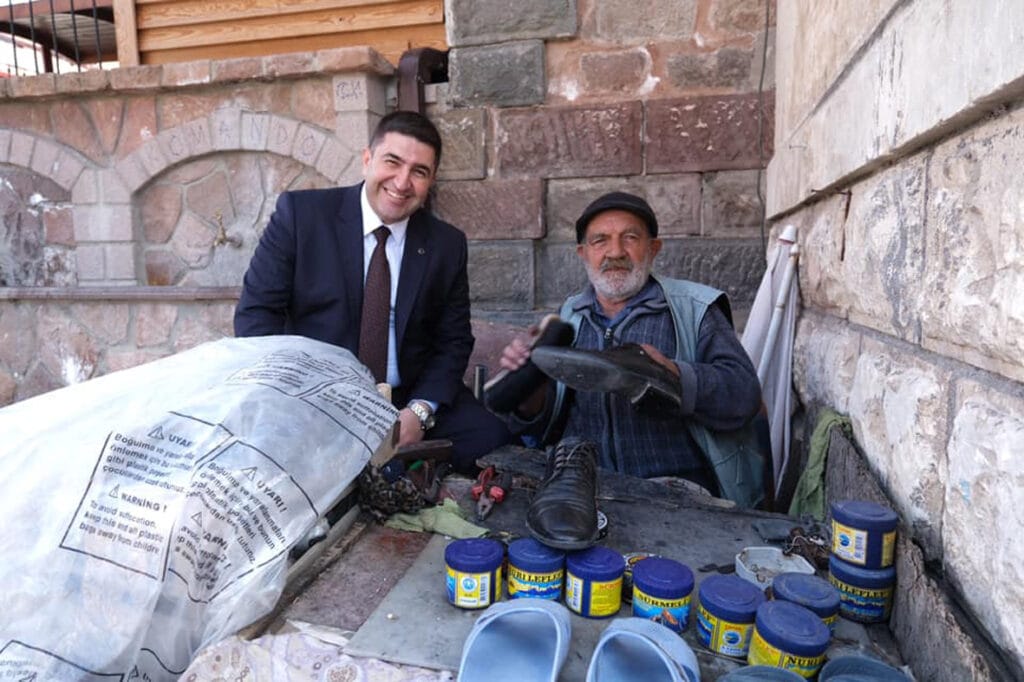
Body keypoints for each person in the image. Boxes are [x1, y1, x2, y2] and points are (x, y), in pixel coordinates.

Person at [235, 110, 511, 473]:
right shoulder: (302, 216)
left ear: (431, 180)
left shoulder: (446, 244)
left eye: (419, 172)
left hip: (407, 397)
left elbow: (454, 340)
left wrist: (420, 412)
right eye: (392, 162)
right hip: (318, 397)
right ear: (367, 160)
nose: (402, 182)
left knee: (493, 443)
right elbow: (256, 316)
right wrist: (293, 397)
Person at [495, 191, 766, 508]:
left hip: (677, 491)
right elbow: (545, 428)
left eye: (630, 238)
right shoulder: (568, 317)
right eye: (600, 241)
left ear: (653, 248)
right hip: (585, 487)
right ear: (583, 253)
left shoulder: (695, 309)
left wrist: (674, 375)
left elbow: (744, 396)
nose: (615, 252)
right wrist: (530, 391)